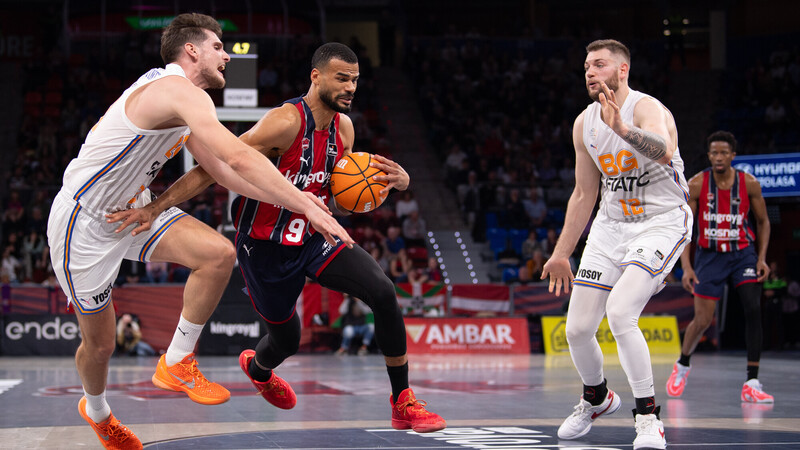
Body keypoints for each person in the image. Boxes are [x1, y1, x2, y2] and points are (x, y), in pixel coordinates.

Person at [49, 13, 353, 450]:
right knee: (99, 347)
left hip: (133, 208)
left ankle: (176, 361)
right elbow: (238, 156)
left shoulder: (184, 102)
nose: (226, 55)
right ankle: (97, 411)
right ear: (191, 50)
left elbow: (225, 174)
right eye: (217, 46)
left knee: (217, 254)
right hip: (85, 222)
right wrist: (306, 203)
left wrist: (299, 201)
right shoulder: (174, 90)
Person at [111, 42, 446, 433]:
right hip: (264, 246)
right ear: (316, 76)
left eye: (355, 80)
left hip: (313, 238)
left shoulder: (345, 128)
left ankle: (403, 403)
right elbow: (214, 167)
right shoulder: (284, 122)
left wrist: (389, 185)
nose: (351, 87)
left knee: (384, 292)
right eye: (342, 78)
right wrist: (155, 207)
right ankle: (258, 368)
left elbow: (339, 199)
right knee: (287, 339)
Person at [541, 39, 691, 450]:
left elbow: (665, 152)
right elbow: (583, 194)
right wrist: (561, 252)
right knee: (576, 329)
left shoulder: (646, 108)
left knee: (621, 312)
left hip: (661, 220)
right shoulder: (583, 123)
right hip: (611, 226)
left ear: (622, 70)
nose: (590, 71)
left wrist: (623, 130)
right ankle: (597, 398)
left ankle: (647, 417)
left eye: (600, 64)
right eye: (587, 65)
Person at [666, 130, 773, 403]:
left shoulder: (749, 183)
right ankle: (683, 364)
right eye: (714, 152)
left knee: (753, 308)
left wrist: (761, 258)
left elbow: (763, 222)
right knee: (702, 320)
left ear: (733, 156)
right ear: (709, 156)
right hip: (709, 256)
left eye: (724, 152)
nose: (719, 157)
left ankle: (752, 382)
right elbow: (685, 228)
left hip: (742, 254)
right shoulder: (698, 184)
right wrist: (686, 267)